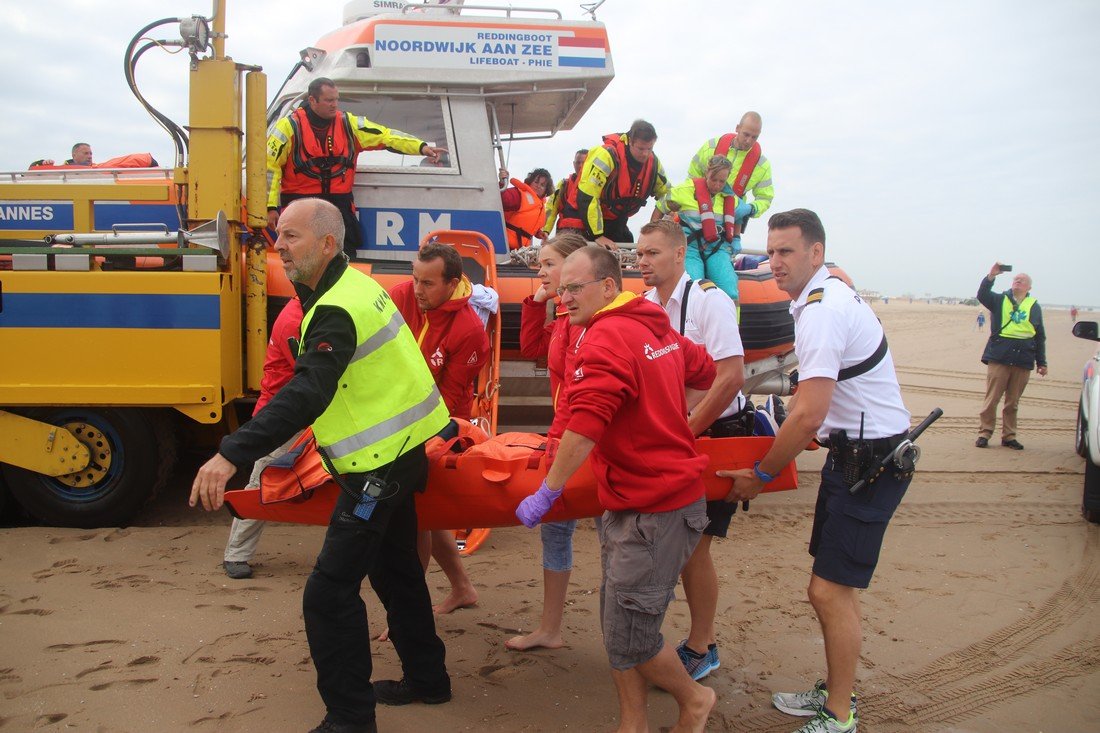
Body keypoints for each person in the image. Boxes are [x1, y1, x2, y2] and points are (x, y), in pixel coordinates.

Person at [190, 198, 453, 733]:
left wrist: (231, 451)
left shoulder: (335, 307)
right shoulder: (355, 285)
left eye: (291, 237)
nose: (278, 246)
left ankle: (350, 720)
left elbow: (308, 390)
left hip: (380, 467)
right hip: (404, 451)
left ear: (327, 244)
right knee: (397, 570)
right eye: (277, 236)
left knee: (328, 592)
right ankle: (428, 679)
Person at [720, 209, 911, 733]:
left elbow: (806, 412)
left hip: (872, 461)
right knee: (828, 588)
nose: (774, 263)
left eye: (786, 251)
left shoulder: (824, 310)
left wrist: (760, 474)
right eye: (770, 252)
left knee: (829, 590)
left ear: (816, 253)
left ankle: (840, 713)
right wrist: (813, 437)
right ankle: (836, 689)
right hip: (852, 453)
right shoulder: (816, 300)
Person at [515, 245, 718, 732]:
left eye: (573, 288)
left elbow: (584, 425)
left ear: (608, 287)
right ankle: (634, 720)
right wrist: (665, 415)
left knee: (632, 631)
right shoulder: (654, 322)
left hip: (656, 506)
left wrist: (549, 489)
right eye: (560, 288)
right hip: (633, 497)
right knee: (616, 617)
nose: (563, 298)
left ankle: (693, 700)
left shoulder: (604, 338)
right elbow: (704, 370)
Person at [636, 219, 746, 681]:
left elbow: (731, 376)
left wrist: (687, 432)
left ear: (680, 254)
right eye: (639, 254)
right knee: (672, 544)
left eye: (652, 254)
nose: (642, 262)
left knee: (695, 546)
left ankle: (702, 645)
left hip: (714, 432)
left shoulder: (708, 299)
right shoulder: (641, 307)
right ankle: (666, 638)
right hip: (674, 434)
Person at [389, 242, 490, 614]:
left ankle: (408, 611)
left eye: (428, 283)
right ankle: (462, 588)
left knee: (416, 519)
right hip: (394, 419)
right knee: (426, 516)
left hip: (438, 427)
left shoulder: (469, 331)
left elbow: (447, 402)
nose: (417, 290)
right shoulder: (400, 296)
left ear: (452, 283)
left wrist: (417, 443)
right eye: (415, 279)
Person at [506, 231, 590, 651]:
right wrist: (536, 301)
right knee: (556, 535)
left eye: (547, 265)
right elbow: (530, 347)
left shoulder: (588, 326)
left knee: (611, 539)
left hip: (582, 446)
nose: (540, 272)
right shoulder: (562, 320)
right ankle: (550, 629)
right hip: (562, 440)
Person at [266, 77, 447, 259]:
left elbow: (386, 136)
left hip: (338, 206)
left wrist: (421, 147)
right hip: (300, 207)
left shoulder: (349, 124)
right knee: (301, 258)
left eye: (337, 99)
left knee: (345, 254)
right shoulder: (288, 128)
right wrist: (270, 207)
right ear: (312, 100)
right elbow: (269, 167)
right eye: (329, 100)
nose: (334, 105)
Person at [222, 296, 305, 580]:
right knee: (261, 483)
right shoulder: (294, 321)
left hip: (300, 413)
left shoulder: (305, 310)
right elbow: (317, 374)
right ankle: (236, 554)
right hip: (282, 418)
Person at [975, 264, 1047, 450]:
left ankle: (1009, 436)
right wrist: (991, 276)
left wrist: (1042, 362)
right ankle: (984, 433)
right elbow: (982, 295)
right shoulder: (999, 300)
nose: (1017, 281)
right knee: (992, 399)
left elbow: (1039, 335)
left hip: (1023, 359)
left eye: (1022, 280)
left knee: (1012, 402)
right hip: (1000, 356)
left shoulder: (1034, 306)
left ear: (1028, 288)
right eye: (1016, 279)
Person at [654, 156, 743, 302]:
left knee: (730, 291)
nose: (717, 185)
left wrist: (737, 238)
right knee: (693, 290)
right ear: (706, 173)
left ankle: (731, 323)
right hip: (689, 248)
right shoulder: (683, 191)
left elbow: (739, 216)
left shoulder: (730, 198)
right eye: (714, 179)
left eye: (722, 181)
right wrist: (655, 237)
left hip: (717, 249)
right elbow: (660, 207)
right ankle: (690, 323)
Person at [577, 119, 670, 249]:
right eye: (641, 148)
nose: (645, 154)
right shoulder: (606, 155)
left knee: (626, 242)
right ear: (629, 141)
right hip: (585, 223)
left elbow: (666, 194)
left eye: (650, 148)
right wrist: (597, 235)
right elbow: (588, 196)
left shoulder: (654, 163)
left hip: (618, 222)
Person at [687, 112, 774, 238]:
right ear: (737, 128)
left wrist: (751, 208)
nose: (749, 140)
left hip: (729, 223)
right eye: (746, 134)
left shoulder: (762, 165)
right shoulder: (711, 147)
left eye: (754, 137)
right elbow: (692, 178)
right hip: (697, 213)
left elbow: (765, 198)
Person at [501, 168, 552, 249]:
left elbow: (530, 225)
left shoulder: (540, 205)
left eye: (542, 185)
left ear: (546, 190)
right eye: (536, 182)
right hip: (504, 245)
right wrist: (502, 183)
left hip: (520, 250)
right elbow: (501, 199)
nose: (538, 186)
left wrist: (539, 233)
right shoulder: (519, 194)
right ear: (530, 181)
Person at [541, 149, 589, 237]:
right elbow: (552, 209)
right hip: (563, 232)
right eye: (578, 162)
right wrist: (546, 231)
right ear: (574, 164)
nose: (580, 166)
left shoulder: (596, 185)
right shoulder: (563, 184)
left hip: (587, 233)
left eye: (584, 163)